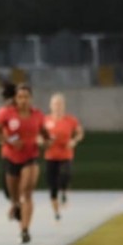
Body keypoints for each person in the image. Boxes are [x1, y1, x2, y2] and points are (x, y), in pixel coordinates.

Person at [0, 84, 51, 244]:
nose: (23, 100)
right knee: (14, 195)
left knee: (27, 192)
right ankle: (15, 205)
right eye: (20, 97)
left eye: (26, 97)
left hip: (31, 157)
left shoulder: (37, 115)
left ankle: (25, 230)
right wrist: (9, 140)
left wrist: (45, 143)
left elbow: (46, 137)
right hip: (11, 158)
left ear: (31, 98)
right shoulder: (6, 113)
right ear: (15, 99)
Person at [43, 92, 84, 220]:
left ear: (64, 106)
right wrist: (43, 142)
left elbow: (80, 133)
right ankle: (56, 213)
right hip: (50, 156)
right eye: (55, 104)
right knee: (52, 186)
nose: (58, 106)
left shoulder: (70, 120)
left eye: (60, 104)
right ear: (50, 105)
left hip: (65, 155)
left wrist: (74, 141)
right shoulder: (46, 120)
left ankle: (65, 191)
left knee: (65, 175)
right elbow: (38, 135)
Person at [0, 81, 18, 211]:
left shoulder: (23, 111)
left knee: (21, 185)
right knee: (7, 188)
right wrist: (5, 139)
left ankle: (18, 206)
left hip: (24, 153)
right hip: (8, 153)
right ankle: (15, 203)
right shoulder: (3, 112)